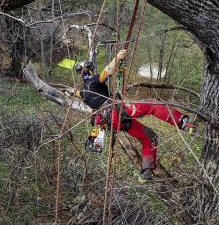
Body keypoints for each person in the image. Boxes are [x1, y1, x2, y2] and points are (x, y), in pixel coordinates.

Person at [75, 50, 195, 182]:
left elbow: (79, 95)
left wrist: (71, 92)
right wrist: (117, 58)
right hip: (116, 112)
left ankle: (146, 171)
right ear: (89, 71)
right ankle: (182, 122)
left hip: (113, 122)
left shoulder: (84, 94)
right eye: (91, 69)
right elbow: (107, 72)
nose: (93, 71)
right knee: (152, 104)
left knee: (150, 137)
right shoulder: (93, 81)